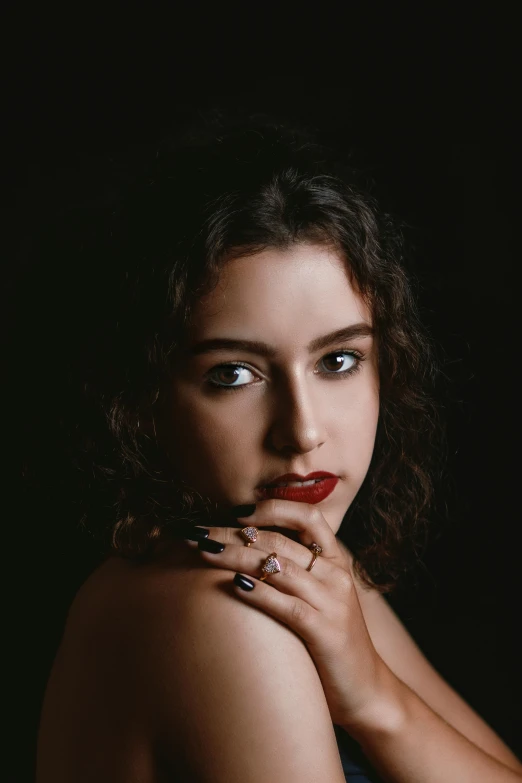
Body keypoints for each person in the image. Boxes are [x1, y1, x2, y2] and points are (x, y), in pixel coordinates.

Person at [31, 113, 522, 782]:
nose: (302, 430)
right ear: (144, 399)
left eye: (339, 359)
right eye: (233, 373)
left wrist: (375, 696)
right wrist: (376, 703)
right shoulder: (228, 610)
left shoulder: (293, 553)